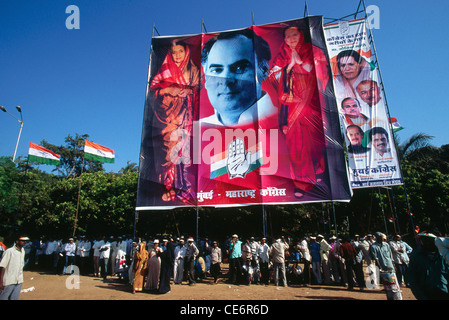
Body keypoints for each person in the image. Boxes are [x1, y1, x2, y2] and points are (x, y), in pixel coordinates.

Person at [269, 25, 328, 198]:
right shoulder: (283, 54)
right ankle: (302, 182)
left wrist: (299, 64)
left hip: (311, 105)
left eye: (294, 34)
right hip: (292, 107)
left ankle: (318, 174)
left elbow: (319, 72)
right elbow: (273, 75)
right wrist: (288, 67)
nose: (291, 38)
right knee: (296, 145)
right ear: (284, 40)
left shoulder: (312, 50)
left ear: (301, 35)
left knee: (315, 144)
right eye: (288, 36)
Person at [150, 39, 200, 203]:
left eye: (180, 51)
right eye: (174, 52)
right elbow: (153, 91)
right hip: (166, 117)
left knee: (183, 150)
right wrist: (168, 89)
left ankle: (183, 188)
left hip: (185, 115)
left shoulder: (192, 70)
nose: (177, 55)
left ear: (185, 52)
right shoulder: (163, 71)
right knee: (167, 151)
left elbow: (199, 89)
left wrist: (188, 91)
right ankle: (167, 187)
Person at [201, 28, 276, 126]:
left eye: (239, 68)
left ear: (264, 71)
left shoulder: (288, 123)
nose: (226, 80)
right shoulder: (194, 132)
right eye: (216, 70)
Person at [408, 232, 449, 300]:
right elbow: (413, 280)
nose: (427, 242)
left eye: (430, 239)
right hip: (426, 295)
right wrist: (421, 296)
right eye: (424, 239)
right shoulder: (416, 256)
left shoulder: (445, 255)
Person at [0, 236, 28, 300]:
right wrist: (1, 282)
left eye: (25, 241)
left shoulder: (23, 251)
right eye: (22, 240)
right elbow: (2, 267)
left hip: (19, 280)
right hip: (8, 281)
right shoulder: (9, 251)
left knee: (14, 298)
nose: (24, 242)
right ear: (17, 241)